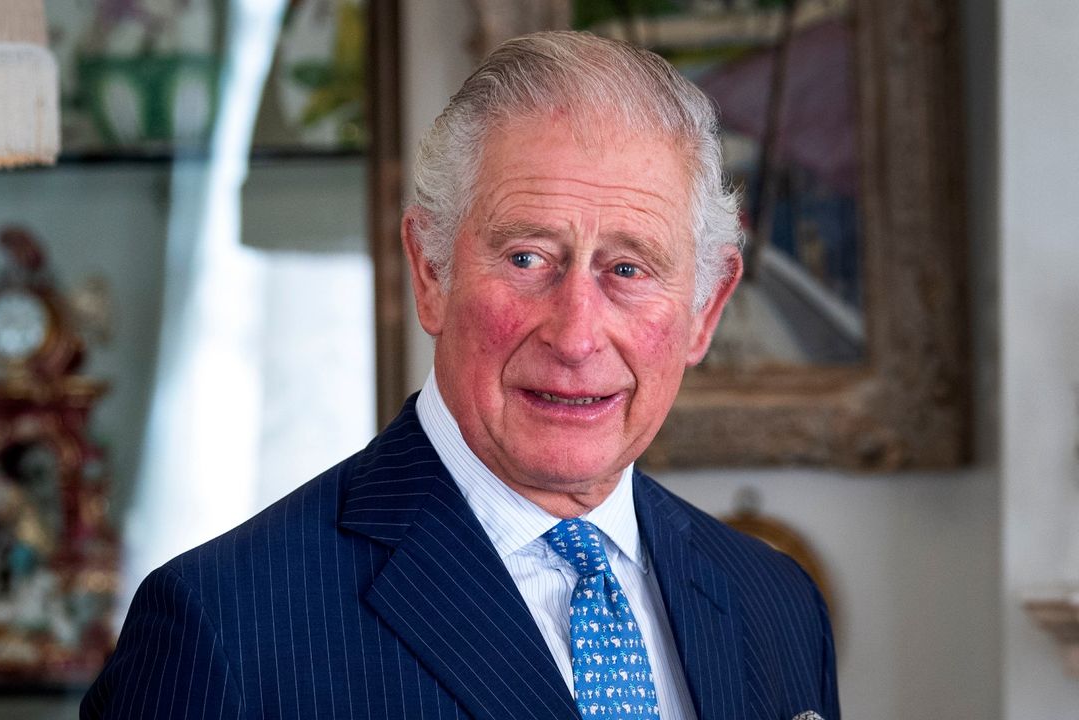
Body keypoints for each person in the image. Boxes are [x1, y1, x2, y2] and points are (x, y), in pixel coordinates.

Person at [81, 31, 839, 720]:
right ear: (431, 270)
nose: (576, 335)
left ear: (705, 309)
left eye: (629, 268)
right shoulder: (222, 628)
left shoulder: (775, 604)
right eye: (526, 259)